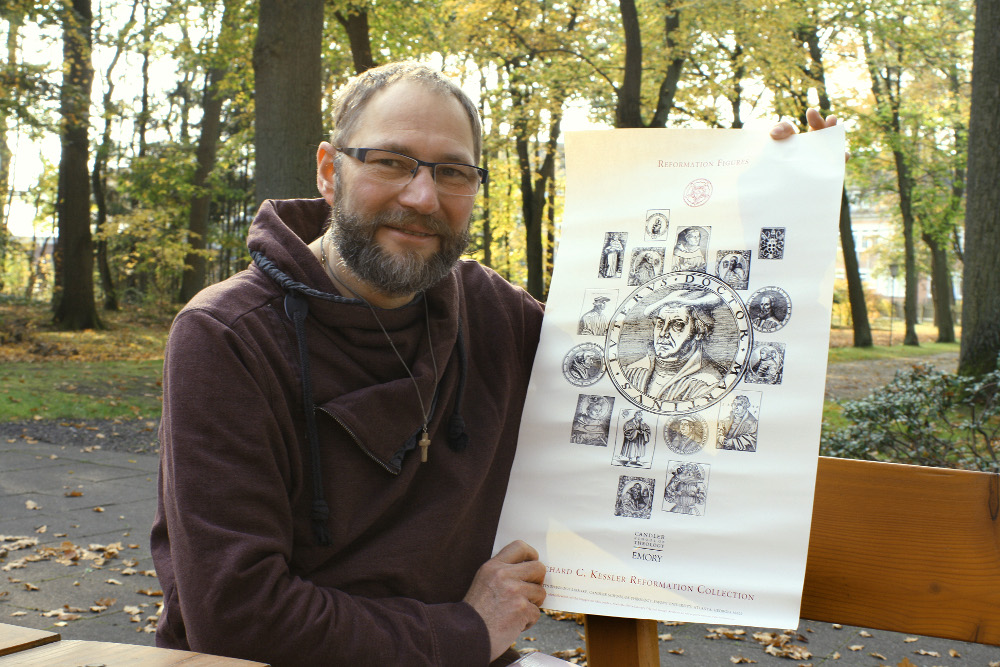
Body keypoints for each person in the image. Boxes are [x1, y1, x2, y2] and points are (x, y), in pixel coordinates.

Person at [151, 56, 838, 665]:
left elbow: (667, 354)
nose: (422, 198)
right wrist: (464, 631)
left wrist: (773, 199)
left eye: (452, 172)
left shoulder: (498, 318)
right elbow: (235, 614)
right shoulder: (225, 337)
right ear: (330, 171)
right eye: (391, 161)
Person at [623, 290, 727, 402]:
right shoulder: (632, 372)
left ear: (699, 332)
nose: (663, 333)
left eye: (677, 325)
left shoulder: (709, 383)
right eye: (660, 323)